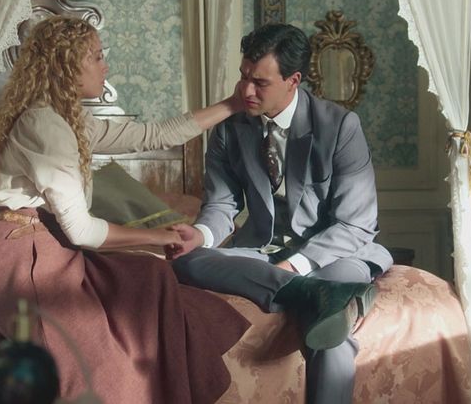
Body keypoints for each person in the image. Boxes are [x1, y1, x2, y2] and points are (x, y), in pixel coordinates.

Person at [0, 15, 249, 404]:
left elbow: (155, 135)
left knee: (152, 277)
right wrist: (159, 236)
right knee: (103, 366)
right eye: (97, 57)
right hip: (22, 258)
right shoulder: (44, 125)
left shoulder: (68, 119)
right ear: (68, 65)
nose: (106, 67)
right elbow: (81, 230)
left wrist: (233, 104)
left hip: (53, 250)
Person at [167, 23, 393, 404]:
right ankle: (314, 294)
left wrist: (296, 265)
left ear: (293, 80)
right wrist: (201, 235)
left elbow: (356, 223)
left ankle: (323, 296)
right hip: (263, 252)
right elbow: (221, 205)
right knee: (186, 262)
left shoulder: (340, 127)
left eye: (259, 82)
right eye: (243, 77)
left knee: (332, 333)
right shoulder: (229, 129)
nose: (245, 91)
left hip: (335, 255)